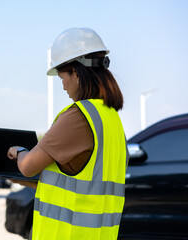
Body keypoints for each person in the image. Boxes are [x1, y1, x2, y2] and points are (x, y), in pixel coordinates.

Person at [7, 28, 128, 240]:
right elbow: (86, 187)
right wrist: (34, 183)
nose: (63, 85)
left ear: (76, 72)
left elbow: (27, 166)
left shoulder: (79, 117)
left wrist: (19, 152)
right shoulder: (111, 119)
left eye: (62, 77)